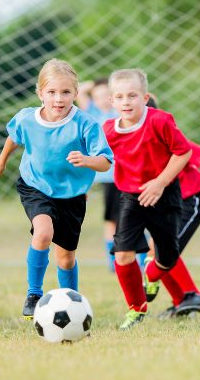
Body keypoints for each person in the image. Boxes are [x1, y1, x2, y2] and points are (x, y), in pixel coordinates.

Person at [0, 59, 113, 319]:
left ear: (76, 93)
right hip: (35, 185)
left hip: (72, 194)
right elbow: (15, 136)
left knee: (66, 257)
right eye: (52, 92)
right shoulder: (27, 118)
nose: (59, 98)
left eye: (66, 92)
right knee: (43, 233)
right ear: (40, 93)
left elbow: (105, 162)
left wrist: (87, 160)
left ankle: (73, 307)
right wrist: (2, 159)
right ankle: (34, 294)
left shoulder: (86, 124)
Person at [102, 68, 192, 330]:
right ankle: (136, 309)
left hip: (165, 195)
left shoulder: (160, 121)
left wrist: (160, 182)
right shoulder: (108, 130)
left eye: (132, 95)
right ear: (112, 101)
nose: (126, 101)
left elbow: (183, 152)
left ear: (145, 97)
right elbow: (100, 158)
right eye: (120, 97)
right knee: (122, 254)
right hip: (130, 197)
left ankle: (152, 273)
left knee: (168, 256)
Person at [143, 95, 200, 318]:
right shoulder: (133, 142)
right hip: (165, 204)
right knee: (159, 249)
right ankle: (183, 301)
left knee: (164, 251)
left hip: (189, 202)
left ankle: (187, 293)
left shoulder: (167, 137)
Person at [77, 79, 121, 272]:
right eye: (98, 96)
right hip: (109, 177)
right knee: (112, 219)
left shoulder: (120, 112)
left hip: (128, 174)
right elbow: (80, 90)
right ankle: (113, 260)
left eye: (106, 95)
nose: (103, 100)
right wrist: (95, 84)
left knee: (135, 218)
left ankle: (141, 257)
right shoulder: (92, 114)